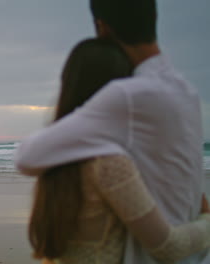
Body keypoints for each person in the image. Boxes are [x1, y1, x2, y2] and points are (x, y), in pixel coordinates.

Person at [16, 0, 208, 263]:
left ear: (102, 27)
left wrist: (94, 142)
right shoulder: (188, 93)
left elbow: (27, 156)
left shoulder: (127, 95)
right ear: (153, 18)